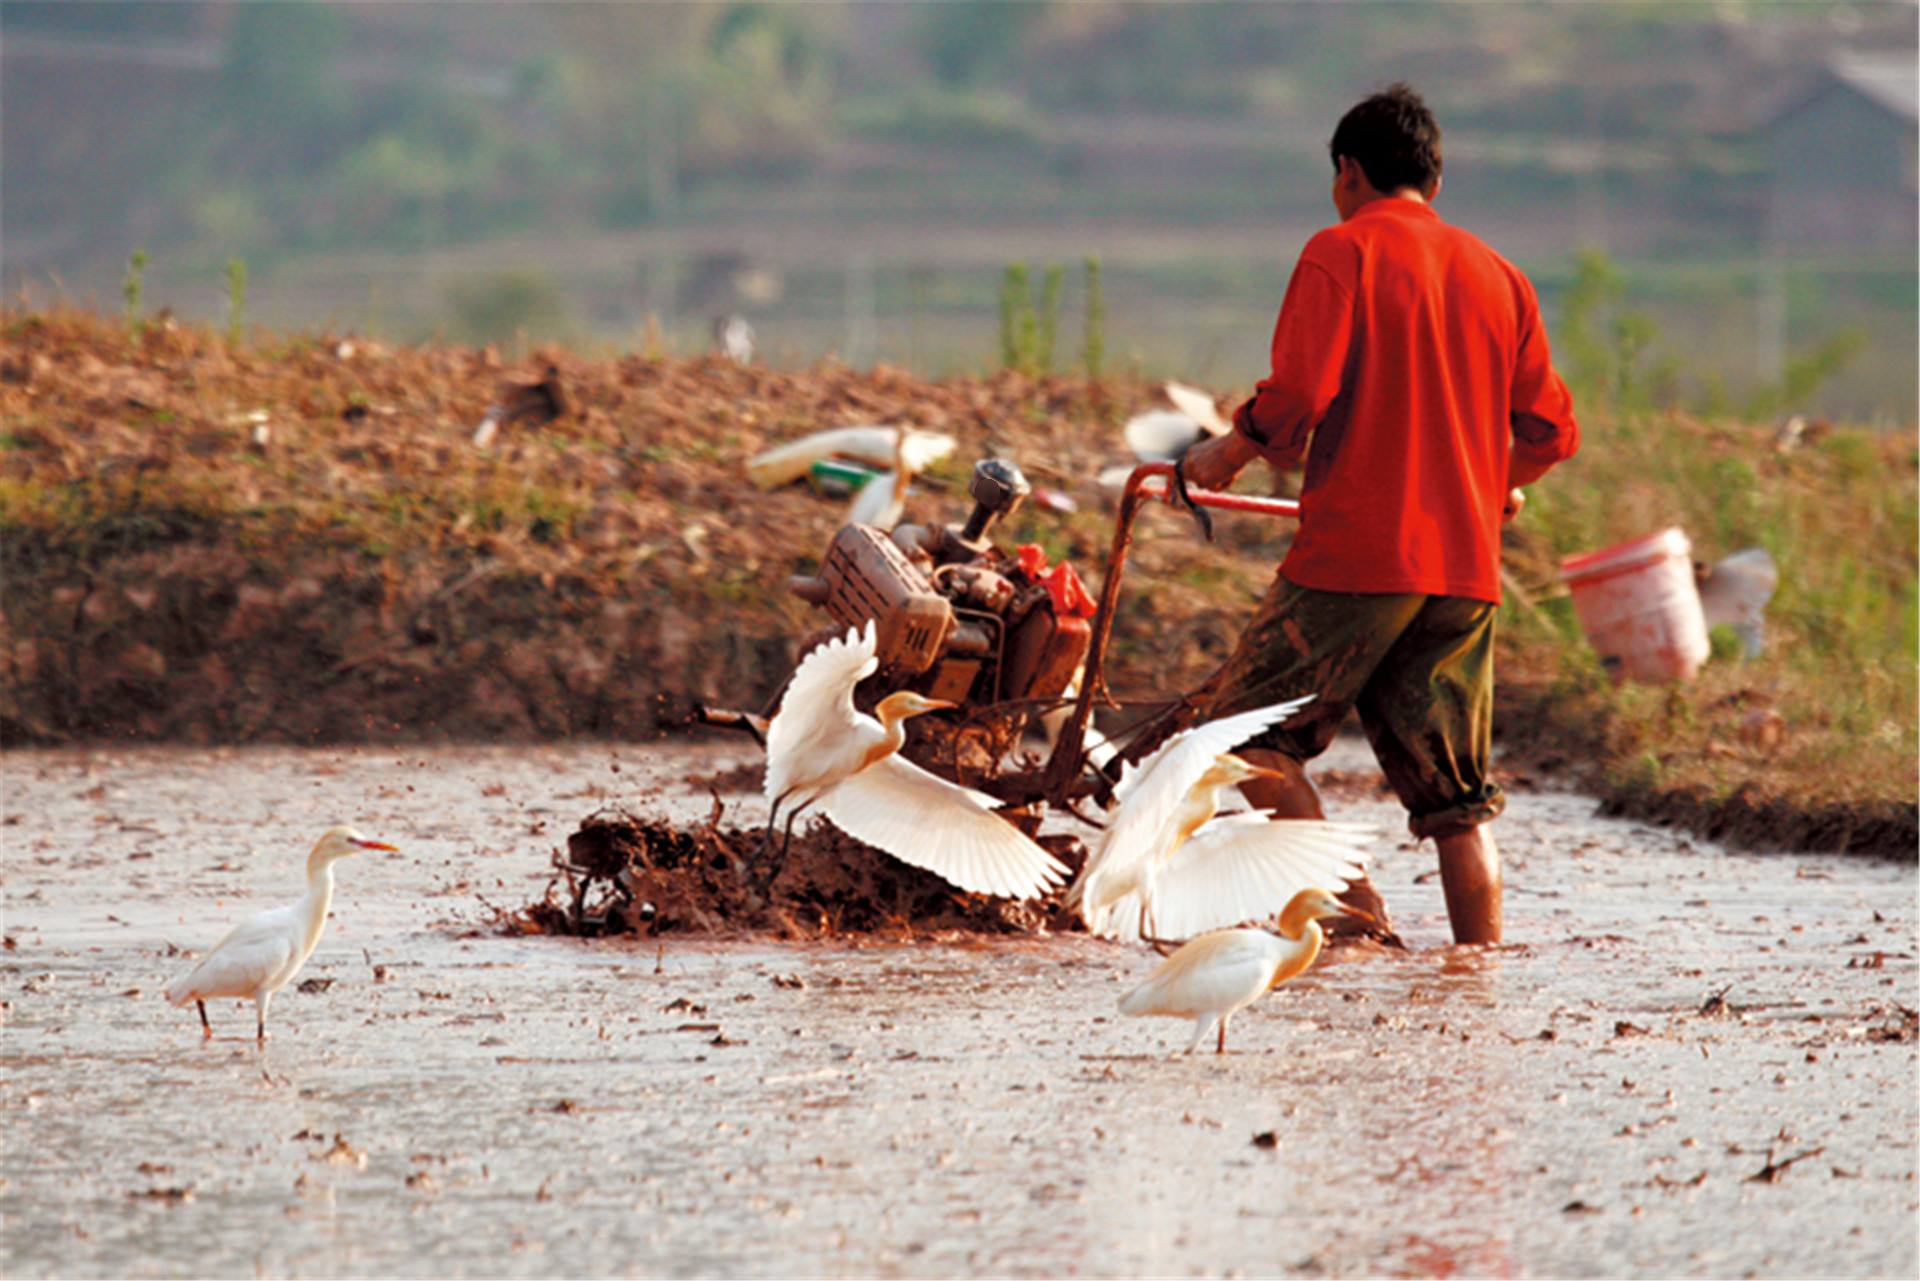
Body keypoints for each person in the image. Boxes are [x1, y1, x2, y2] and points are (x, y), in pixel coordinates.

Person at [1177, 83, 1579, 945]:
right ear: (1432, 183)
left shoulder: (1341, 251)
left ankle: (1356, 919)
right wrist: (1500, 480)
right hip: (1464, 573)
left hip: (1358, 556)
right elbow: (1550, 429)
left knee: (1246, 739)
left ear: (1348, 173)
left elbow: (1299, 396)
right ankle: (1479, 978)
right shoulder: (1500, 276)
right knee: (1457, 803)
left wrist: (1232, 445)